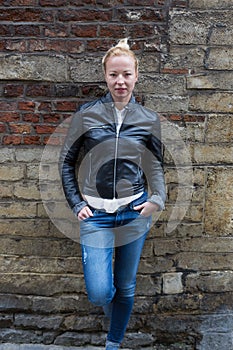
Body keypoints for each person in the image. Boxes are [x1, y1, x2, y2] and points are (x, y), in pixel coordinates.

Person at [59, 38, 166, 350]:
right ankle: (111, 313)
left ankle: (113, 343)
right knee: (101, 292)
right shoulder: (86, 114)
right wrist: (76, 202)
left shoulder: (148, 118)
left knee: (127, 286)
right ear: (105, 76)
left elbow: (155, 164)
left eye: (127, 74)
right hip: (95, 217)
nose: (121, 81)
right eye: (114, 75)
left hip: (134, 213)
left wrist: (156, 197)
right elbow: (67, 162)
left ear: (136, 75)